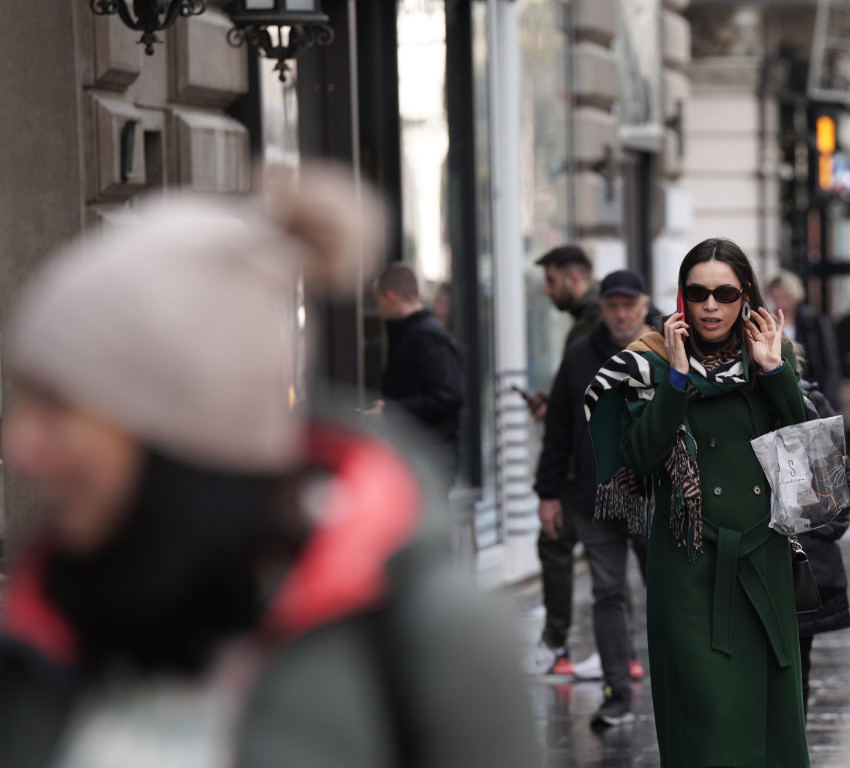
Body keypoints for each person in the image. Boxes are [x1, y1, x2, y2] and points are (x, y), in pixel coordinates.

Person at [0, 177, 540, 767]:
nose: (19, 444)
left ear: (176, 428)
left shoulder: (430, 646)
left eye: (57, 406)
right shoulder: (39, 634)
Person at [587, 238, 811, 766]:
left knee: (769, 728)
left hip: (763, 564)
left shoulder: (773, 354)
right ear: (682, 298)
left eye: (725, 292)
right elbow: (639, 459)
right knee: (704, 722)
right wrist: (677, 379)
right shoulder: (649, 363)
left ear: (745, 297)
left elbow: (803, 448)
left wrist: (776, 371)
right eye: (697, 292)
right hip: (688, 570)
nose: (710, 305)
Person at [533, 269, 653, 726]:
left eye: (629, 304)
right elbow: (559, 428)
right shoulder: (582, 355)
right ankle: (617, 692)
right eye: (612, 305)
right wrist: (547, 493)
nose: (621, 313)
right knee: (606, 593)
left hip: (652, 495)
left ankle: (676, 686)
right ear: (601, 308)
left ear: (644, 304)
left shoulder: (667, 350)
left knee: (664, 590)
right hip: (595, 494)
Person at [524, 243, 602, 677]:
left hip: (585, 466)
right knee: (604, 556)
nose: (546, 292)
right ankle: (620, 655)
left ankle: (558, 644)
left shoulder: (590, 327)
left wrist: (550, 485)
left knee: (558, 542)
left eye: (551, 282)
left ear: (574, 279)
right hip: (596, 462)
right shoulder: (590, 322)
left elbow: (581, 407)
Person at [794, 353, 850, 716]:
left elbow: (838, 486)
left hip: (802, 564)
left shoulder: (808, 400)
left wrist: (818, 529)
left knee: (796, 670)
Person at [368, 263, 465, 486]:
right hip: (419, 455)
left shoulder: (427, 337)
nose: (377, 309)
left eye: (378, 301)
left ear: (391, 298)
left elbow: (448, 395)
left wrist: (392, 410)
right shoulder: (412, 333)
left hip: (428, 457)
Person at [767, 270, 842, 400]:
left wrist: (829, 398)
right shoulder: (769, 321)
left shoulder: (812, 321)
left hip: (812, 389)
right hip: (783, 389)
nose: (780, 302)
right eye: (775, 298)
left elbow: (829, 363)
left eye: (784, 297)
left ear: (793, 296)